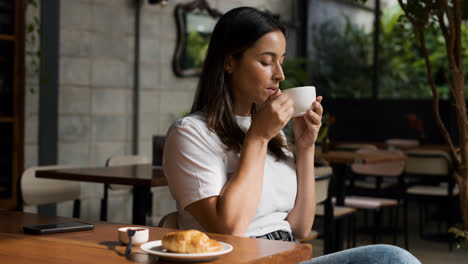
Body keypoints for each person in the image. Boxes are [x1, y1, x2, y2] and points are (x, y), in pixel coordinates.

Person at [163, 6, 421, 264]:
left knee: (391, 258)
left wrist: (306, 146)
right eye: (266, 61)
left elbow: (299, 227)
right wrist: (258, 138)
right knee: (393, 259)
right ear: (229, 61)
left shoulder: (271, 131)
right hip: (242, 259)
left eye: (281, 61)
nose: (280, 75)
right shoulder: (190, 134)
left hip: (289, 254)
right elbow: (229, 230)